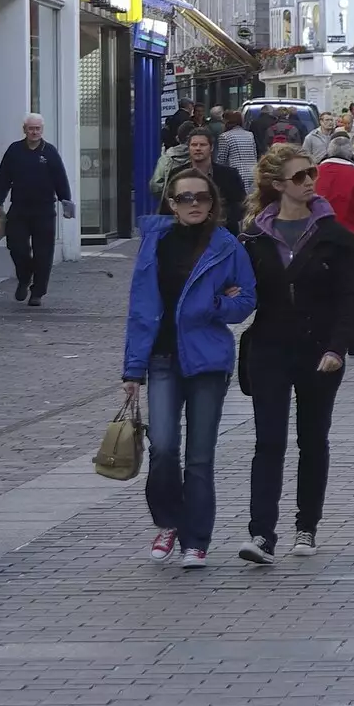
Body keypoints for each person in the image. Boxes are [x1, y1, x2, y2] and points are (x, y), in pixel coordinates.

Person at [121, 166, 257, 569]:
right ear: (172, 203)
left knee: (199, 456)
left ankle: (196, 540)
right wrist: (132, 370)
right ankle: (167, 521)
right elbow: (140, 309)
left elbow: (246, 299)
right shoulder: (154, 244)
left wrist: (217, 304)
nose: (194, 204)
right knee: (162, 447)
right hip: (162, 359)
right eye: (185, 198)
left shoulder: (227, 246)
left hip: (207, 362)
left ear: (213, 202)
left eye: (201, 197)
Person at [237, 144, 354, 563]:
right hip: (269, 347)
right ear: (277, 185)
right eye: (299, 176)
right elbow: (242, 293)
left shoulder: (334, 235)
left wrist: (337, 347)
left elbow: (349, 298)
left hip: (318, 350)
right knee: (268, 442)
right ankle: (261, 535)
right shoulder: (253, 235)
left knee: (312, 440)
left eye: (311, 173)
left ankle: (306, 526)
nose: (309, 181)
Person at [0, 114, 74, 307]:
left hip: (44, 210)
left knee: (43, 253)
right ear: (24, 129)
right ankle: (24, 276)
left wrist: (66, 202)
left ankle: (37, 292)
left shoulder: (50, 152)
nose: (34, 132)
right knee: (16, 246)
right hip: (19, 208)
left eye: (38, 128)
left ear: (42, 130)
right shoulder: (14, 151)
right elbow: (3, 177)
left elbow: (60, 179)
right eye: (31, 128)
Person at [316, 131, 354, 355]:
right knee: (350, 290)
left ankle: (323, 334)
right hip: (351, 242)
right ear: (350, 154)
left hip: (317, 241)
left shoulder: (314, 174)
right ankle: (349, 337)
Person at [180, 127, 246, 234]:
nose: (198, 148)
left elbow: (241, 205)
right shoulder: (178, 174)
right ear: (188, 148)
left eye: (202, 145)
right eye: (194, 145)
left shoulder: (229, 175)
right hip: (187, 234)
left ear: (211, 148)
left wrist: (219, 216)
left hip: (223, 232)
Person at [217, 111, 259, 194]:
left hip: (236, 173)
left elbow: (221, 159)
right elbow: (254, 154)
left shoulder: (225, 136)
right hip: (253, 172)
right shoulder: (250, 135)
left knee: (240, 201)